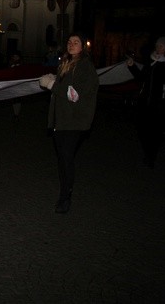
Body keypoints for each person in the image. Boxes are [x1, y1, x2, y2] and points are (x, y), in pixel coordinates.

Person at [39, 32, 99, 214]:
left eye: (76, 42)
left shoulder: (85, 66)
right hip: (61, 121)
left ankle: (65, 198)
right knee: (63, 159)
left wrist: (52, 85)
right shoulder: (65, 64)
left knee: (66, 159)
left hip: (75, 122)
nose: (72, 44)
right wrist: (56, 79)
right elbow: (65, 87)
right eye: (69, 42)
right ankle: (64, 192)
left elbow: (74, 94)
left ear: (83, 46)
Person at [126, 36, 165, 169]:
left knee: (155, 132)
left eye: (162, 46)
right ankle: (148, 153)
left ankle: (150, 157)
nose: (158, 48)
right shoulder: (150, 61)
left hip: (160, 104)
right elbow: (141, 78)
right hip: (145, 102)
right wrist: (132, 66)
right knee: (142, 129)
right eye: (157, 45)